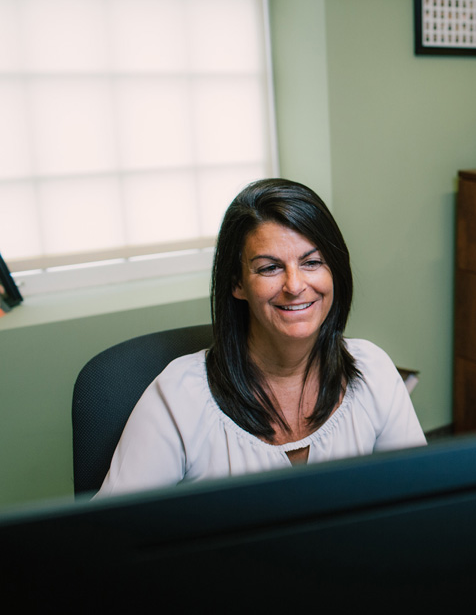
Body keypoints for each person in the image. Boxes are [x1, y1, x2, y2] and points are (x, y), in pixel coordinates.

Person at [96, 179, 426, 497]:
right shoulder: (180, 397)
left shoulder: (373, 372)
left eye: (312, 262)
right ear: (237, 284)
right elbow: (107, 537)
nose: (295, 286)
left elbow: (420, 502)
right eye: (269, 268)